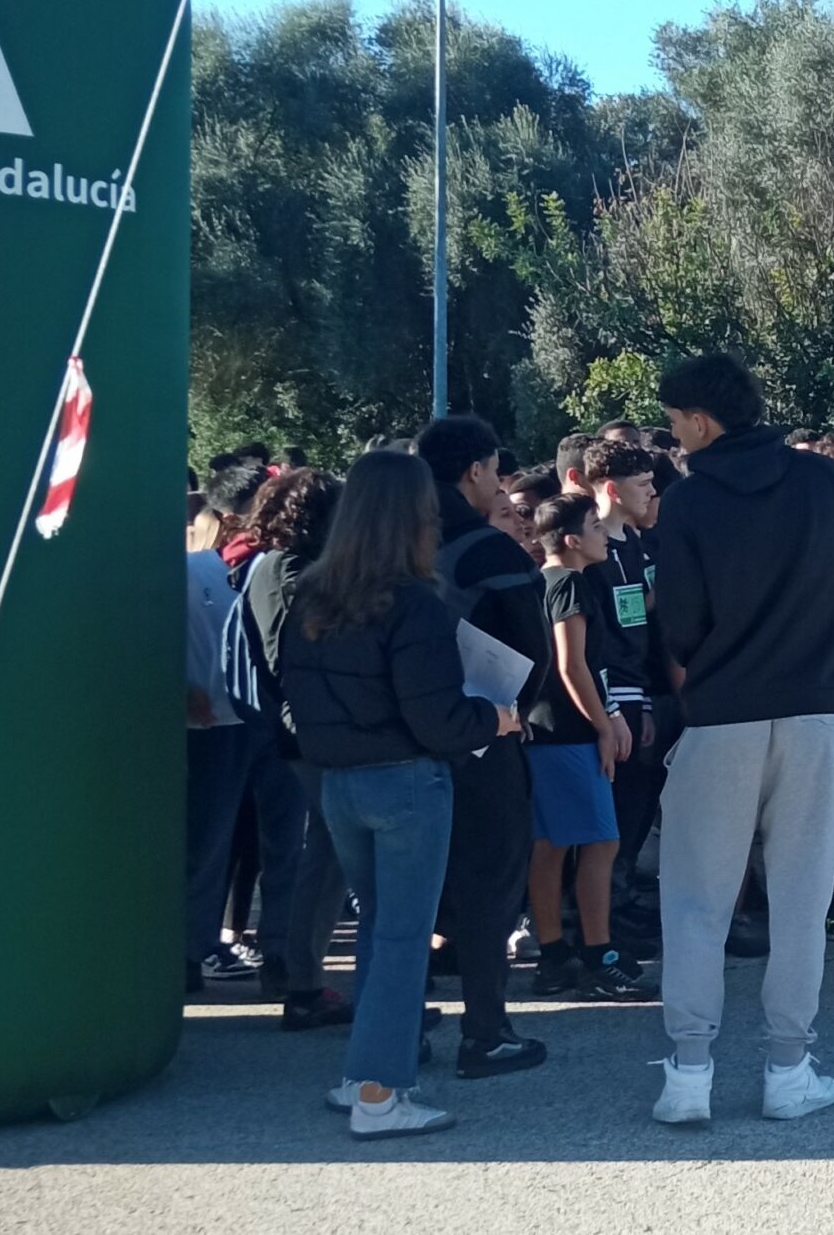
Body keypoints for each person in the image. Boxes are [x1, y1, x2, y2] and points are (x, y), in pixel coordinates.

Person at [647, 352, 834, 1128]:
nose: (673, 435)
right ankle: (788, 1066)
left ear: (703, 420)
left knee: (695, 905)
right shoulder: (824, 480)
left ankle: (688, 1070)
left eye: (676, 420)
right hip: (816, 717)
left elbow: (678, 627)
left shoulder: (686, 501)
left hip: (719, 721)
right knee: (800, 903)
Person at [275, 448, 517, 1139]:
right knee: (404, 933)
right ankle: (379, 1093)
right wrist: (494, 719)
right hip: (408, 779)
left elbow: (290, 694)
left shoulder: (310, 596)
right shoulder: (412, 601)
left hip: (339, 782)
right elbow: (437, 715)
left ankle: (362, 1073)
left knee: (382, 928)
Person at [415, 414, 550, 1080]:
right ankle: (486, 1029)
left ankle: (401, 1025)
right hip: (482, 735)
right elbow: (534, 648)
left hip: (401, 740)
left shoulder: (386, 543)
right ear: (474, 469)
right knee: (489, 882)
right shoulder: (488, 552)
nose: (499, 484)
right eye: (495, 470)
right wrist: (512, 715)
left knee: (408, 892)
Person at [229, 467, 357, 1028]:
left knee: (325, 851)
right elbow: (293, 658)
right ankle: (302, 977)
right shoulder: (291, 573)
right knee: (330, 853)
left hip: (297, 726)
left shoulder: (271, 566)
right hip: (310, 728)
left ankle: (301, 972)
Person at [521, 496, 651, 1001]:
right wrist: (603, 725)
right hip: (569, 732)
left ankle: (554, 955)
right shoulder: (571, 583)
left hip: (545, 728)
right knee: (601, 842)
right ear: (572, 540)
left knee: (551, 845)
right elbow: (571, 665)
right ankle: (599, 955)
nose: (604, 533)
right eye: (596, 526)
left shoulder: (542, 581)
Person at [185, 460, 269, 992]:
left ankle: (201, 946)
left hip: (240, 720)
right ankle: (190, 950)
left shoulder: (224, 569)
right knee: (205, 843)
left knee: (224, 844)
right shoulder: (196, 570)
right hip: (206, 728)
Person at [580, 437, 666, 946]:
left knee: (636, 804)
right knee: (607, 814)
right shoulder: (591, 548)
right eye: (642, 484)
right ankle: (597, 920)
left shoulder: (635, 544)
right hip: (608, 697)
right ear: (611, 489)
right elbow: (593, 637)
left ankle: (623, 897)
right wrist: (610, 706)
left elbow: (638, 616)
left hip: (638, 691)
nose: (652, 491)